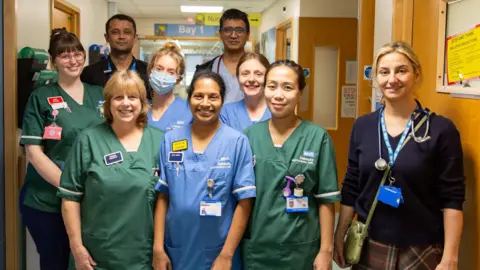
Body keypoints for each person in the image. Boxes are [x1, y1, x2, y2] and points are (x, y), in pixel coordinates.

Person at [333, 41, 465, 270]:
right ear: (376, 78)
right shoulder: (363, 126)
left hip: (421, 247)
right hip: (369, 243)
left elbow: (453, 198)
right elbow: (352, 187)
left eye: (401, 70)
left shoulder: (440, 130)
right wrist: (339, 235)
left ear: (416, 73)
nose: (392, 79)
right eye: (384, 72)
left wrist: (450, 257)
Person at [58, 70, 164, 270]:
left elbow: (166, 202)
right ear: (108, 104)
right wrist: (76, 246)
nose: (126, 103)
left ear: (142, 102)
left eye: (132, 97)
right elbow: (70, 198)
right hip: (97, 256)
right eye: (118, 97)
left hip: (144, 256)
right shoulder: (88, 140)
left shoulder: (160, 141)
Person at [18, 28, 104, 270]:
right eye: (64, 55)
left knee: (87, 263)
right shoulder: (41, 96)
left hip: (90, 202)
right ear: (53, 60)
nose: (73, 60)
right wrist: (71, 187)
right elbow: (34, 153)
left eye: (77, 53)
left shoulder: (99, 95)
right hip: (48, 201)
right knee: (56, 262)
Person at [152, 71, 256, 270]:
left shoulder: (236, 141)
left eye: (213, 97)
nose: (205, 103)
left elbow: (245, 202)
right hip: (177, 249)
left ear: (222, 100)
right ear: (189, 98)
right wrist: (158, 248)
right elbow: (163, 197)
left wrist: (226, 255)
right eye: (198, 96)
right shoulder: (171, 140)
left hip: (219, 251)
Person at [242, 60, 340, 269]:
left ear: (300, 93)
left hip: (301, 250)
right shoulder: (249, 137)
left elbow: (326, 200)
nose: (278, 95)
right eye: (272, 86)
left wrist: (326, 250)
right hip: (257, 248)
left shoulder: (317, 137)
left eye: (288, 87)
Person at [80, 14, 149, 96]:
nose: (121, 36)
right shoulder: (90, 73)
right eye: (115, 32)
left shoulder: (148, 71)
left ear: (135, 37)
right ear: (107, 37)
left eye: (127, 32)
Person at [194, 9, 250, 103]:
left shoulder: (261, 70)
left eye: (239, 30)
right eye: (228, 30)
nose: (233, 35)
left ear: (247, 35)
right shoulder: (204, 70)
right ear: (220, 34)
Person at [147, 41, 193, 132]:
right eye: (159, 69)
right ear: (151, 70)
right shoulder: (140, 111)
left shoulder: (189, 110)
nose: (163, 75)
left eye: (171, 72)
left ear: (178, 78)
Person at [220, 52, 271, 131]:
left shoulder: (277, 111)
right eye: (245, 74)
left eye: (258, 74)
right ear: (238, 78)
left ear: (268, 78)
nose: (251, 79)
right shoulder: (226, 113)